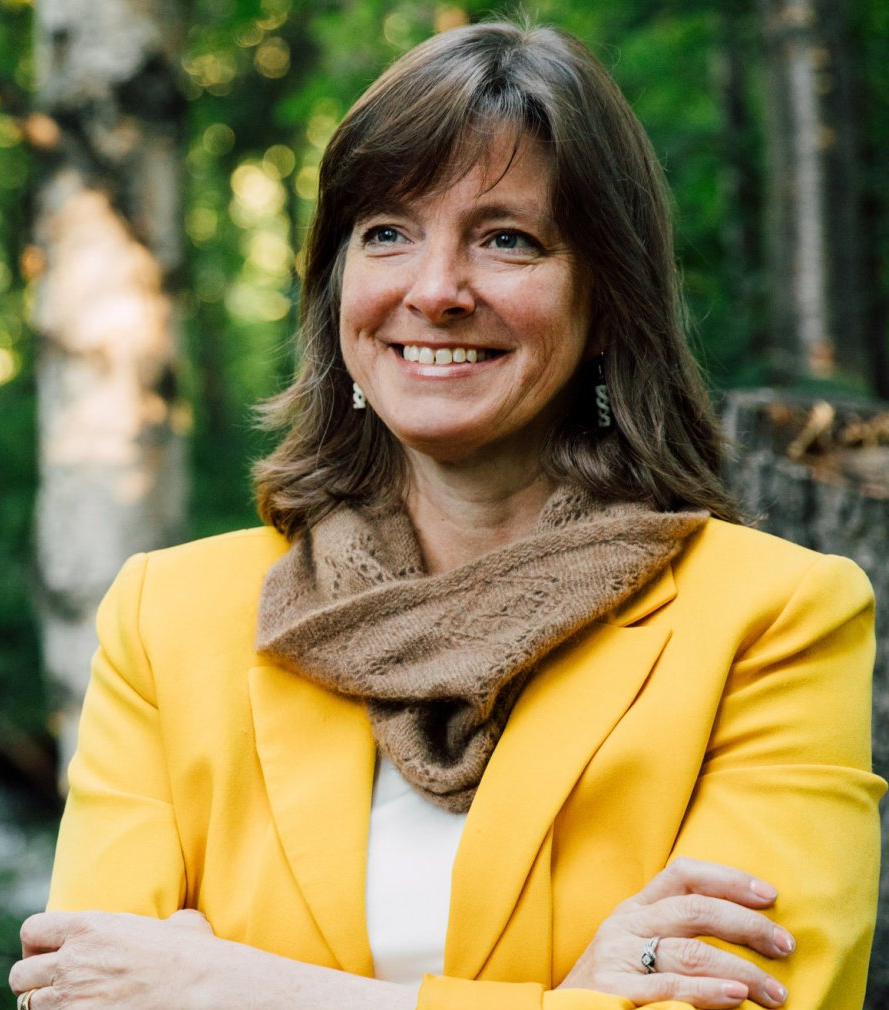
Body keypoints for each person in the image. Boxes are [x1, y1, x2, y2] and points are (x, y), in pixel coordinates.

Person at [9, 19, 884, 1010]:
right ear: (336, 283)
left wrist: (229, 982)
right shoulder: (168, 617)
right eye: (386, 232)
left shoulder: (776, 617)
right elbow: (94, 992)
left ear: (606, 296)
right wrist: (574, 997)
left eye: (505, 238)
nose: (434, 290)